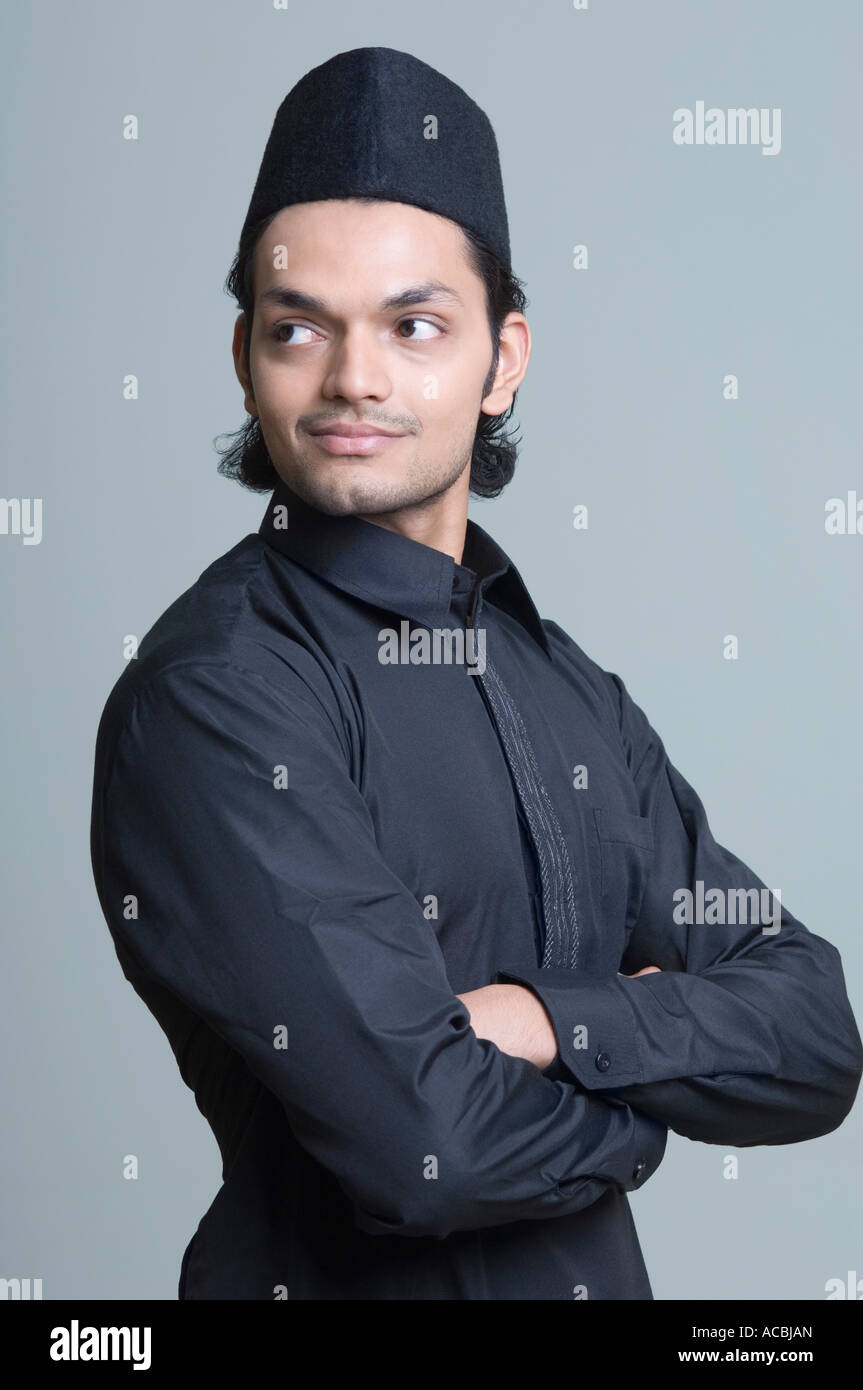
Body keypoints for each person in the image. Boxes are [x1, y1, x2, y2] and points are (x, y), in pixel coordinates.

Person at [89, 46, 862, 1301]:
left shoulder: (570, 693)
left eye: (413, 325)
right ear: (245, 356)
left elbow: (815, 1030)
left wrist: (551, 1022)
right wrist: (647, 1103)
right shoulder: (218, 695)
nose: (354, 378)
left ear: (502, 358)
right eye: (301, 328)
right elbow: (430, 1148)